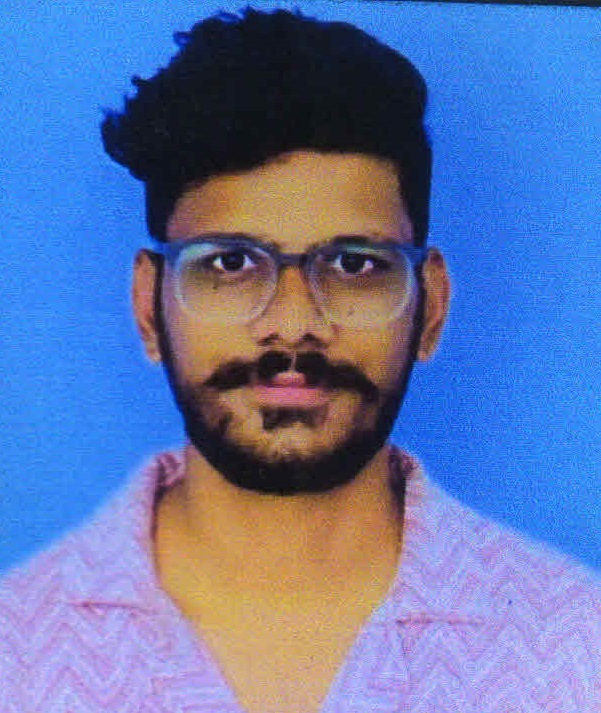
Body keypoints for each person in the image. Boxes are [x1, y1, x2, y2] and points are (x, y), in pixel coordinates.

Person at [1, 7, 599, 712]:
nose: (293, 326)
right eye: (229, 263)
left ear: (431, 306)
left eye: (354, 264)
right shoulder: (16, 648)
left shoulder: (575, 646)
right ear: (148, 305)